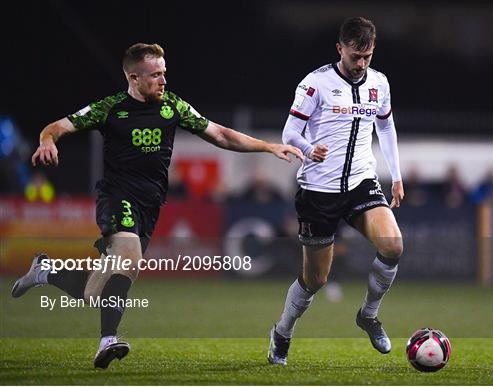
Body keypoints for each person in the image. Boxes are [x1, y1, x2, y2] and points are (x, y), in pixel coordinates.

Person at [11, 43, 302, 369]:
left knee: (97, 291)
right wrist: (47, 141)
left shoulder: (173, 106)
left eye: (164, 73)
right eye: (155, 75)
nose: (163, 80)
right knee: (130, 259)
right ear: (134, 78)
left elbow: (219, 134)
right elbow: (58, 127)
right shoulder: (110, 108)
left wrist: (267, 147)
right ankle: (107, 340)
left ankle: (45, 272)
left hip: (150, 206)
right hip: (117, 197)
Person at [268, 17, 404, 365]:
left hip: (361, 182)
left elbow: (385, 127)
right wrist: (309, 149)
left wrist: (397, 175)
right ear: (340, 48)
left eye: (368, 56)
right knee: (316, 280)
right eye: (356, 56)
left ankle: (368, 315)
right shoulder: (316, 84)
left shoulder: (379, 83)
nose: (361, 64)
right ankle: (282, 331)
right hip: (319, 190)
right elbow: (289, 134)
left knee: (393, 245)